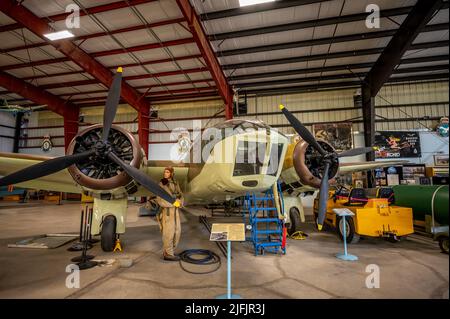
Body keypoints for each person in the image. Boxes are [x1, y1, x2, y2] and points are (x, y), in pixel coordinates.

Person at [156, 167, 184, 261]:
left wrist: (180, 202)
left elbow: (180, 194)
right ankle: (168, 254)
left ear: (171, 173)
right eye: (165, 172)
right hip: (167, 212)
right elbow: (159, 199)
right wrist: (172, 204)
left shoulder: (175, 183)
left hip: (176, 211)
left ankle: (171, 251)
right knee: (168, 233)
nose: (165, 174)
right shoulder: (161, 184)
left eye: (167, 172)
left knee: (177, 231)